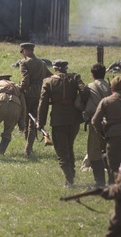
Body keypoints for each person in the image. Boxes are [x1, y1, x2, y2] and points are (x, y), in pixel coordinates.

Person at [36, 59, 85, 187]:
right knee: (69, 147)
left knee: (62, 151)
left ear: (54, 68)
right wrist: (79, 103)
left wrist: (40, 122)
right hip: (74, 118)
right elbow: (84, 91)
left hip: (58, 119)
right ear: (66, 67)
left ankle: (69, 180)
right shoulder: (75, 77)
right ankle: (71, 175)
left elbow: (43, 103)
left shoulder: (48, 81)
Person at [18, 42, 52, 157]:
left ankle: (27, 149)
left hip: (28, 94)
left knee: (27, 119)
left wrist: (20, 90)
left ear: (25, 51)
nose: (23, 54)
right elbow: (49, 76)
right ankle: (28, 148)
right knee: (34, 121)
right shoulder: (42, 63)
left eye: (23, 51)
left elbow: (25, 80)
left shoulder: (24, 63)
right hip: (40, 94)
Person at [81, 63, 111, 188]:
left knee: (94, 152)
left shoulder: (89, 86)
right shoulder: (110, 86)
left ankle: (100, 183)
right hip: (110, 123)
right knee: (110, 152)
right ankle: (112, 181)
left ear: (92, 75)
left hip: (95, 122)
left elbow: (78, 103)